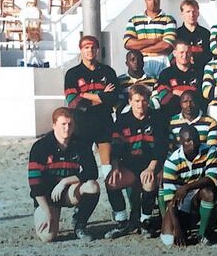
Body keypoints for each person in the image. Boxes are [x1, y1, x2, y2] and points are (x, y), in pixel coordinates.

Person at [28, 108, 101, 242]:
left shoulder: (81, 144)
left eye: (70, 124)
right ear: (54, 125)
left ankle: (80, 224)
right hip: (46, 196)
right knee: (47, 237)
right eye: (63, 124)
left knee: (92, 186)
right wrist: (47, 212)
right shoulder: (40, 147)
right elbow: (35, 185)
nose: (67, 128)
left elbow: (92, 172)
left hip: (68, 191)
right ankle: (46, 213)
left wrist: (64, 182)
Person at [105, 84, 168, 239]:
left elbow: (161, 148)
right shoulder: (122, 120)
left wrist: (152, 168)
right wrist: (115, 167)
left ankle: (145, 221)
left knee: (149, 180)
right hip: (130, 165)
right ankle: (122, 221)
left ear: (148, 101)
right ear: (130, 101)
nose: (141, 104)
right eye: (137, 100)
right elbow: (116, 148)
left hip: (150, 164)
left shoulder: (157, 119)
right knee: (111, 181)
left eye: (144, 100)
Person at [64, 35, 117, 181]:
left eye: (93, 47)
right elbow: (73, 102)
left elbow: (113, 99)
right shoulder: (72, 74)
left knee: (109, 170)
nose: (90, 50)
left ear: (98, 50)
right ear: (81, 50)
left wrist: (86, 95)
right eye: (86, 47)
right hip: (82, 125)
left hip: (104, 123)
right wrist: (101, 97)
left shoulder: (108, 72)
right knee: (88, 171)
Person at [159, 126, 217, 247]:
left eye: (194, 139)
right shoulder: (172, 162)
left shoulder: (210, 150)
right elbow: (169, 199)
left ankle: (203, 234)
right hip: (179, 201)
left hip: (198, 195)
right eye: (187, 141)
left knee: (208, 193)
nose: (192, 143)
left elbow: (212, 178)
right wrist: (177, 227)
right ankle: (182, 226)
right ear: (181, 142)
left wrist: (187, 187)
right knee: (168, 240)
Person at [123, 0, 177, 77]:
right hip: (142, 61)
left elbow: (167, 44)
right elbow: (128, 43)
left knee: (161, 87)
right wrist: (153, 41)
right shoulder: (134, 20)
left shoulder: (169, 19)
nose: (153, 1)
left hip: (162, 60)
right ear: (145, 0)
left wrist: (140, 48)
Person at [153, 39, 201, 120]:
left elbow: (200, 96)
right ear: (174, 53)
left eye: (187, 52)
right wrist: (188, 96)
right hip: (171, 116)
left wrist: (177, 92)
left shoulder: (199, 72)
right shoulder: (166, 74)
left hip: (195, 116)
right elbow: (163, 97)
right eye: (181, 52)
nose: (185, 56)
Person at [175, 0, 212, 72]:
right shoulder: (177, 34)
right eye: (188, 11)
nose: (191, 15)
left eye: (194, 11)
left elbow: (209, 55)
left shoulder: (205, 33)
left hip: (201, 71)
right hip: (181, 73)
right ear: (182, 13)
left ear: (198, 13)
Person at [116, 49, 158, 113]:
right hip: (126, 118)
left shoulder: (153, 81)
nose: (136, 62)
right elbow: (117, 103)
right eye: (132, 59)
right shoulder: (119, 81)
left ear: (143, 63)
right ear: (127, 63)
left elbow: (156, 102)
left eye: (139, 60)